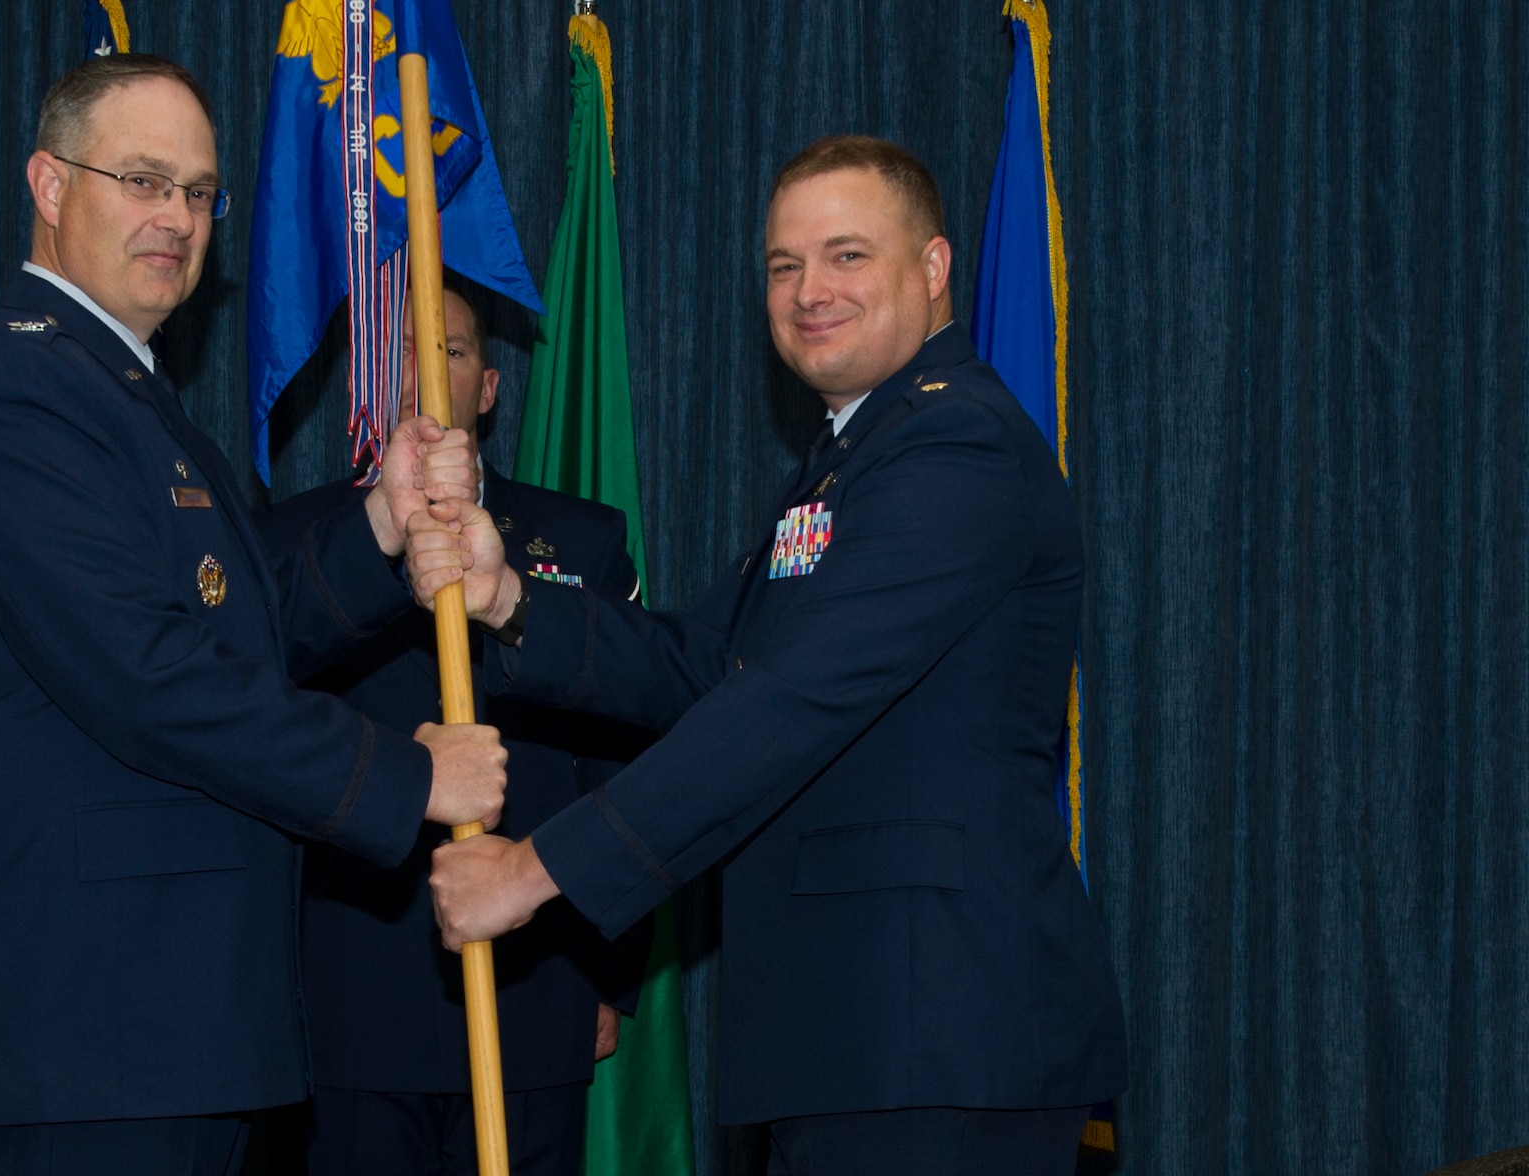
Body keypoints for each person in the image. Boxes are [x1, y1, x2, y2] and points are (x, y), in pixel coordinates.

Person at [411, 136, 1128, 1175]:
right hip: (851, 1038)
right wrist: (506, 597)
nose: (807, 292)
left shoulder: (954, 451)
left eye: (845, 256)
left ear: (931, 271)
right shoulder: (850, 460)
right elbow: (709, 665)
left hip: (934, 1041)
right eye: (783, 266)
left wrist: (532, 870)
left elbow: (786, 705)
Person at [0, 54, 506, 1176]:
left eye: (196, 192)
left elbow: (236, 625)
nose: (174, 219)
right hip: (93, 1026)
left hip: (171, 1023)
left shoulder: (127, 395)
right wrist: (407, 778)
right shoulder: (24, 395)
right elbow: (149, 679)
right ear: (48, 185)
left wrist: (377, 526)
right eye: (140, 180)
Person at [261, 283, 650, 1176]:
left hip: (534, 984)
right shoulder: (296, 543)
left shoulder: (581, 541)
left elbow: (622, 757)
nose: (422, 376)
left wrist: (609, 971)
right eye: (397, 350)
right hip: (350, 991)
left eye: (450, 350)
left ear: (489, 387)